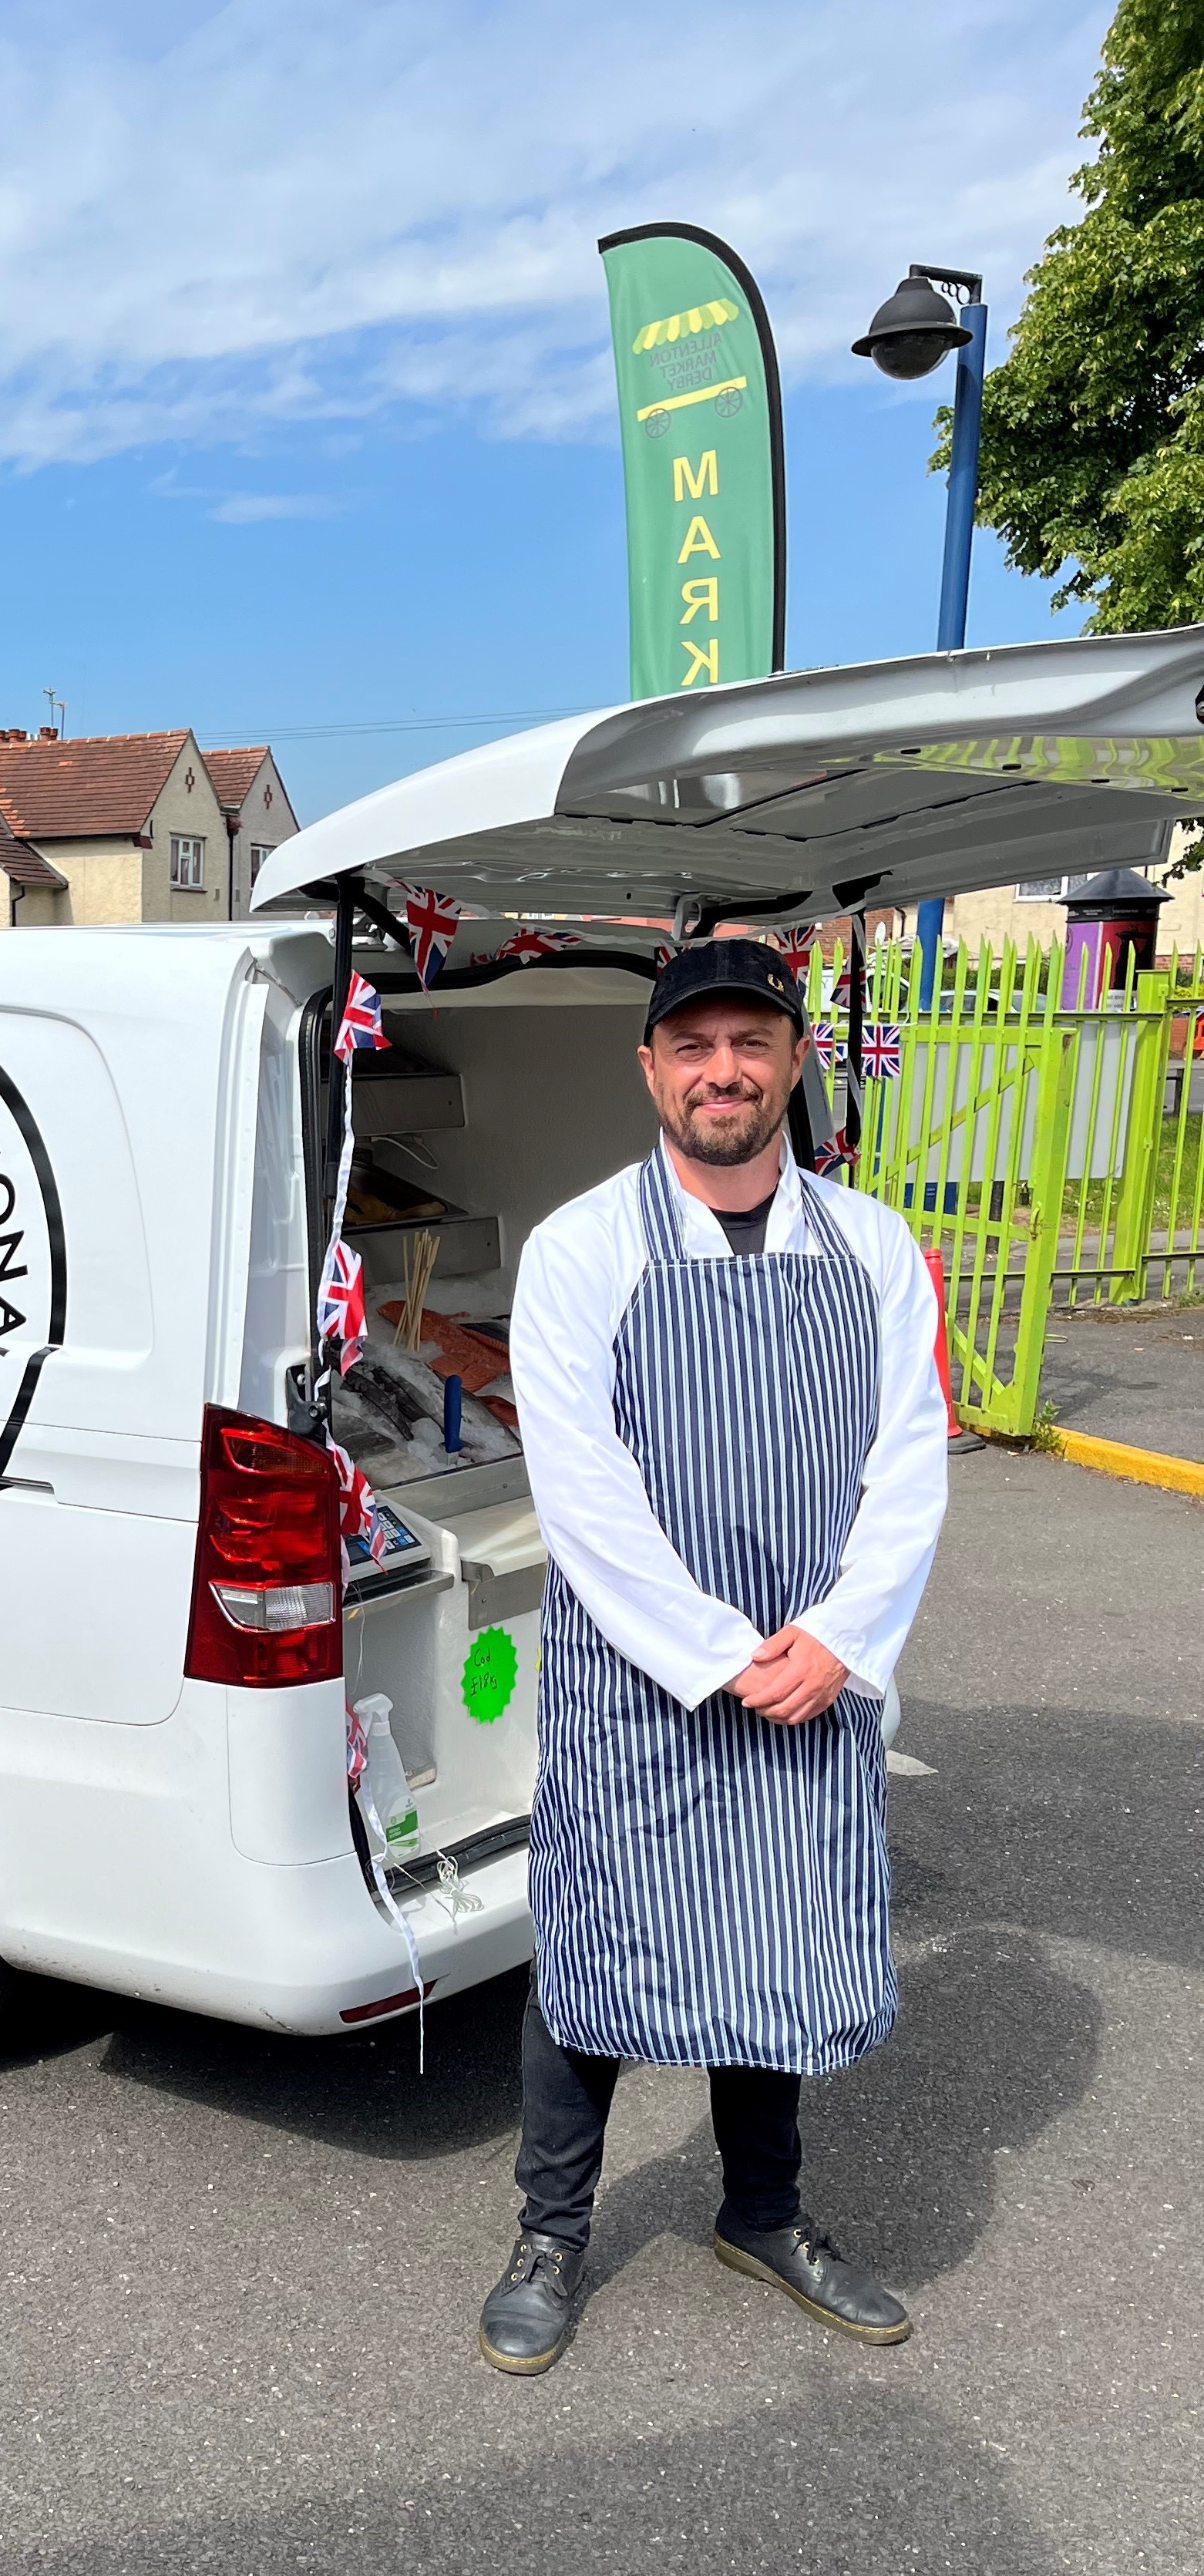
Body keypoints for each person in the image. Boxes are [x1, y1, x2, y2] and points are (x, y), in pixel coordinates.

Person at [480, 937, 949, 2376]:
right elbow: (581, 1490)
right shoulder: (580, 1251)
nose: (724, 1072)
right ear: (652, 1071)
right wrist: (717, 1653)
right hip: (638, 1678)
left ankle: (765, 2211)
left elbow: (911, 1463)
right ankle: (553, 2232)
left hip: (816, 1669)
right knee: (597, 1951)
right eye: (694, 1047)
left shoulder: (871, 1249)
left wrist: (840, 1642)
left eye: (752, 1042)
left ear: (796, 1061)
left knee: (777, 1935)